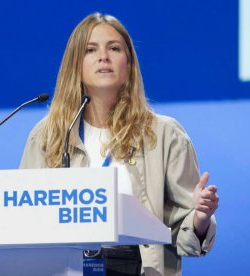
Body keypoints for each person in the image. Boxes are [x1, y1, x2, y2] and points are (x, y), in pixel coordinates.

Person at [20, 12, 218, 275]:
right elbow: (24, 218)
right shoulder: (48, 136)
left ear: (129, 64)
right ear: (74, 65)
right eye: (91, 50)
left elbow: (188, 237)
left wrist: (200, 219)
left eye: (114, 48)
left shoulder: (163, 135)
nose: (104, 56)